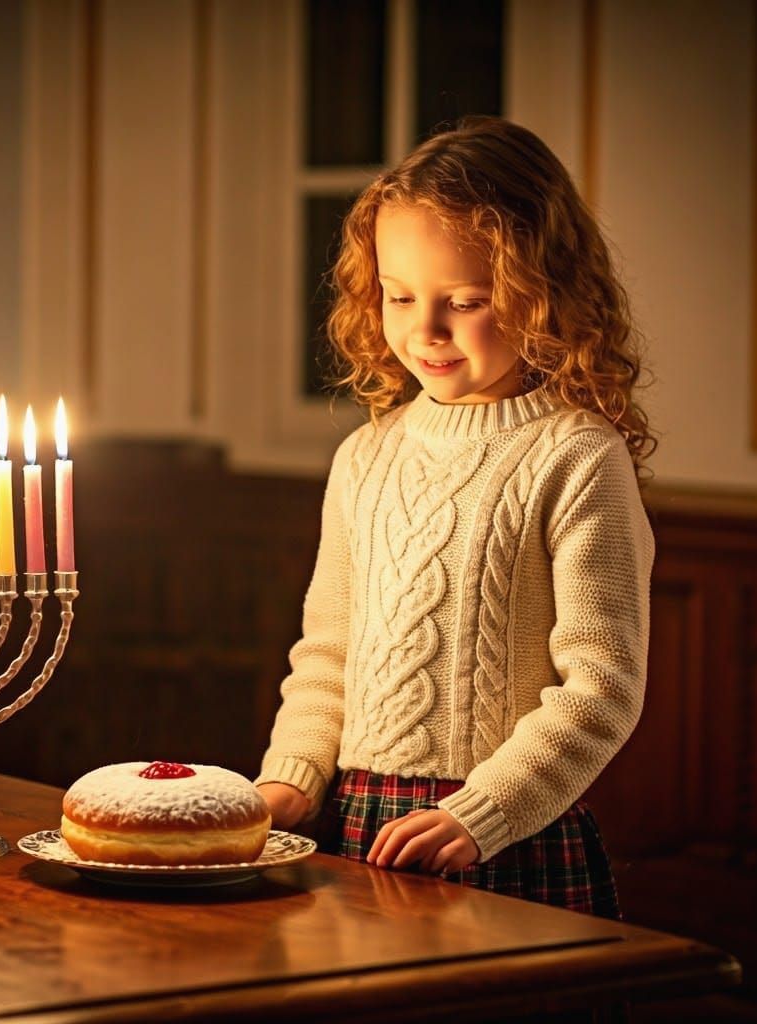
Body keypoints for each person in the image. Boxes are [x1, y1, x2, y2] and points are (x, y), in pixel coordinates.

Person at [255, 116, 656, 919]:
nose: (425, 330)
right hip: (351, 826)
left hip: (501, 833)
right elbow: (328, 655)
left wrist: (484, 813)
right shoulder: (367, 458)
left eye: (466, 302)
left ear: (542, 293)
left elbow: (602, 686)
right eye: (399, 297)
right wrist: (290, 777)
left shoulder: (575, 457)